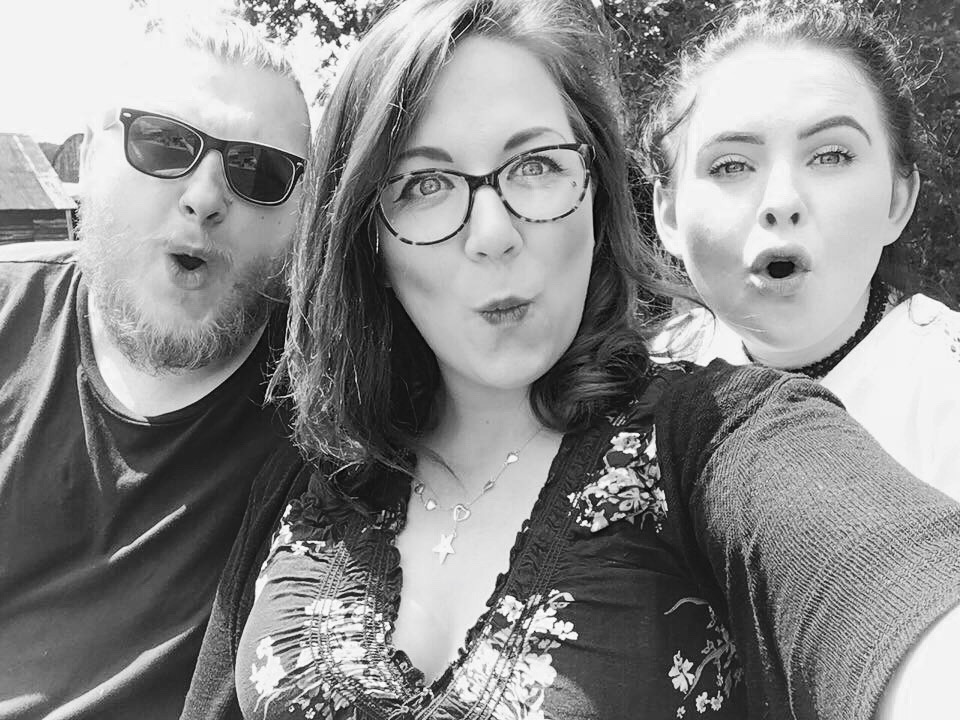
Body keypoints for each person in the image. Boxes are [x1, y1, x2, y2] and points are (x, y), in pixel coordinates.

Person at [181, 0, 960, 718]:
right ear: (367, 236)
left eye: (536, 166)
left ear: (597, 193)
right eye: (425, 183)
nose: (492, 233)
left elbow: (898, 593)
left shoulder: (720, 439)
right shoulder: (306, 481)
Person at [0, 15, 310, 719]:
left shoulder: (336, 404)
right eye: (164, 142)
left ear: (301, 214)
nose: (205, 195)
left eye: (259, 171)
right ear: (87, 159)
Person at [644, 4, 960, 498]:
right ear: (669, 215)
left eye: (830, 156)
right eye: (731, 165)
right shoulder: (641, 385)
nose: (781, 201)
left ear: (897, 200)